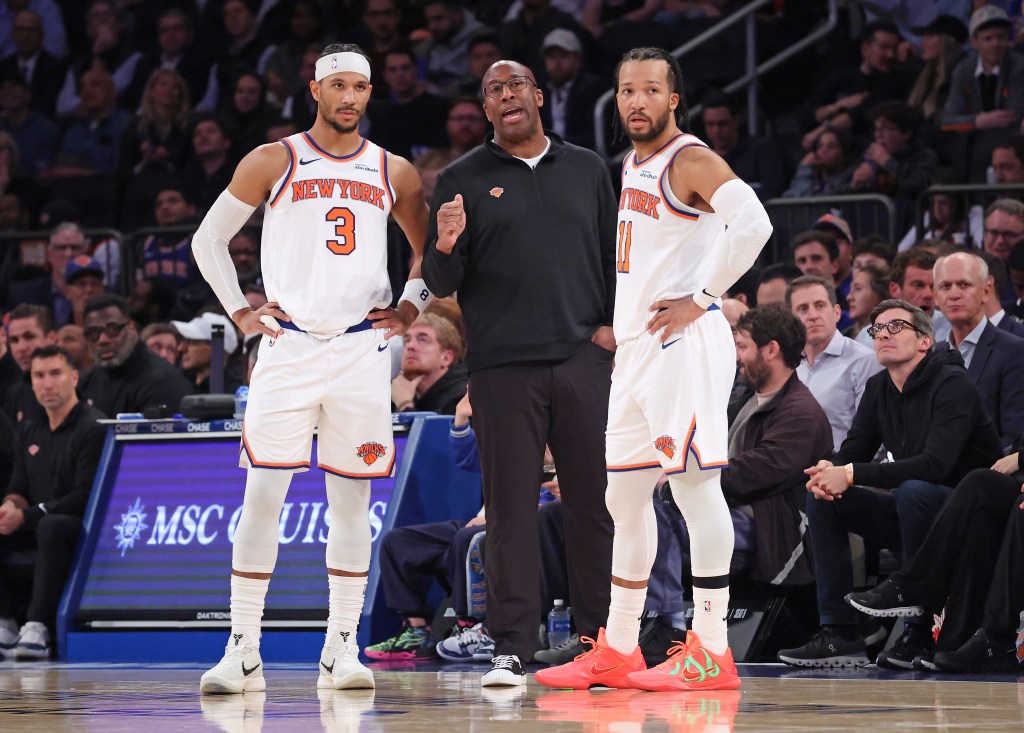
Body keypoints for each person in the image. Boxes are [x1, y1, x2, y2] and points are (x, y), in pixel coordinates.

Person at [190, 43, 432, 695]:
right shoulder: (275, 158)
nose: (351, 96)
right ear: (315, 90)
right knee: (261, 498)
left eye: (361, 86)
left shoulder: (395, 171)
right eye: (339, 85)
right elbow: (207, 238)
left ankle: (342, 646)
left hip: (359, 349)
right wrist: (239, 311)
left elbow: (429, 254)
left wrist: (412, 306)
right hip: (289, 345)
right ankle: (242, 648)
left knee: (351, 504)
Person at [533, 46, 772, 692]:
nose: (635, 101)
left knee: (695, 490)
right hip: (639, 350)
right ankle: (617, 644)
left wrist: (704, 296)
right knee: (624, 497)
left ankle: (712, 649)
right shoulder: (634, 164)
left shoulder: (690, 158)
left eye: (649, 90)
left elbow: (753, 223)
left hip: (682, 345)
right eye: (626, 90)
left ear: (674, 99)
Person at [423, 57, 617, 688]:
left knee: (593, 504)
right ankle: (512, 643)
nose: (506, 96)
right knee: (508, 510)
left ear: (538, 96)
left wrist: (610, 330)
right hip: (504, 365)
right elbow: (440, 280)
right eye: (493, 91)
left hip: (583, 357)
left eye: (516, 86)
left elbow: (615, 255)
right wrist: (445, 244)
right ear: (485, 109)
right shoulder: (462, 176)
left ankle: (596, 638)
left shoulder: (588, 168)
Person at [778, 300, 1003, 669]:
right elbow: (854, 451)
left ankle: (918, 632)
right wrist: (827, 471)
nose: (883, 334)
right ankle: (840, 633)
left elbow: (935, 465)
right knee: (826, 500)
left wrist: (849, 473)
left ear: (924, 341)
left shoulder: (952, 383)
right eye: (877, 329)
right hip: (913, 511)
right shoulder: (879, 386)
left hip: (968, 519)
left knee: (915, 490)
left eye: (896, 326)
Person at [0, 345, 106, 659]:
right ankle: (5, 620)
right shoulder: (30, 429)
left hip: (80, 527)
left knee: (52, 525)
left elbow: (87, 495)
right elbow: (19, 486)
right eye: (39, 375)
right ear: (31, 383)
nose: (47, 383)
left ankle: (38, 626)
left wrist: (28, 515)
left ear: (74, 377)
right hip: (39, 520)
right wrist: (9, 505)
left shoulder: (92, 427)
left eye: (55, 374)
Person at [933, 251, 1024, 448]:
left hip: (987, 472)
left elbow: (1015, 438)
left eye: (964, 285)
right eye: (945, 286)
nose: (954, 294)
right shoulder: (932, 356)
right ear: (935, 297)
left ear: (986, 290)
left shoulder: (1015, 351)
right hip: (933, 469)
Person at [786, 276, 881, 449]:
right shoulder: (787, 366)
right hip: (793, 470)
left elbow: (873, 435)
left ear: (837, 312)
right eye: (803, 309)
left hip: (843, 470)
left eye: (820, 306)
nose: (813, 316)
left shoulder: (864, 361)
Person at [78, 294, 193, 416]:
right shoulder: (85, 383)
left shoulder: (165, 383)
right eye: (93, 333)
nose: (102, 340)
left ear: (131, 328)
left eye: (112, 329)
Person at [391, 312, 467, 415]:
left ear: (446, 357)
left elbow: (439, 431)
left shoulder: (462, 398)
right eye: (407, 340)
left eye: (423, 340)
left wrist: (405, 405)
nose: (410, 346)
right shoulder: (394, 395)